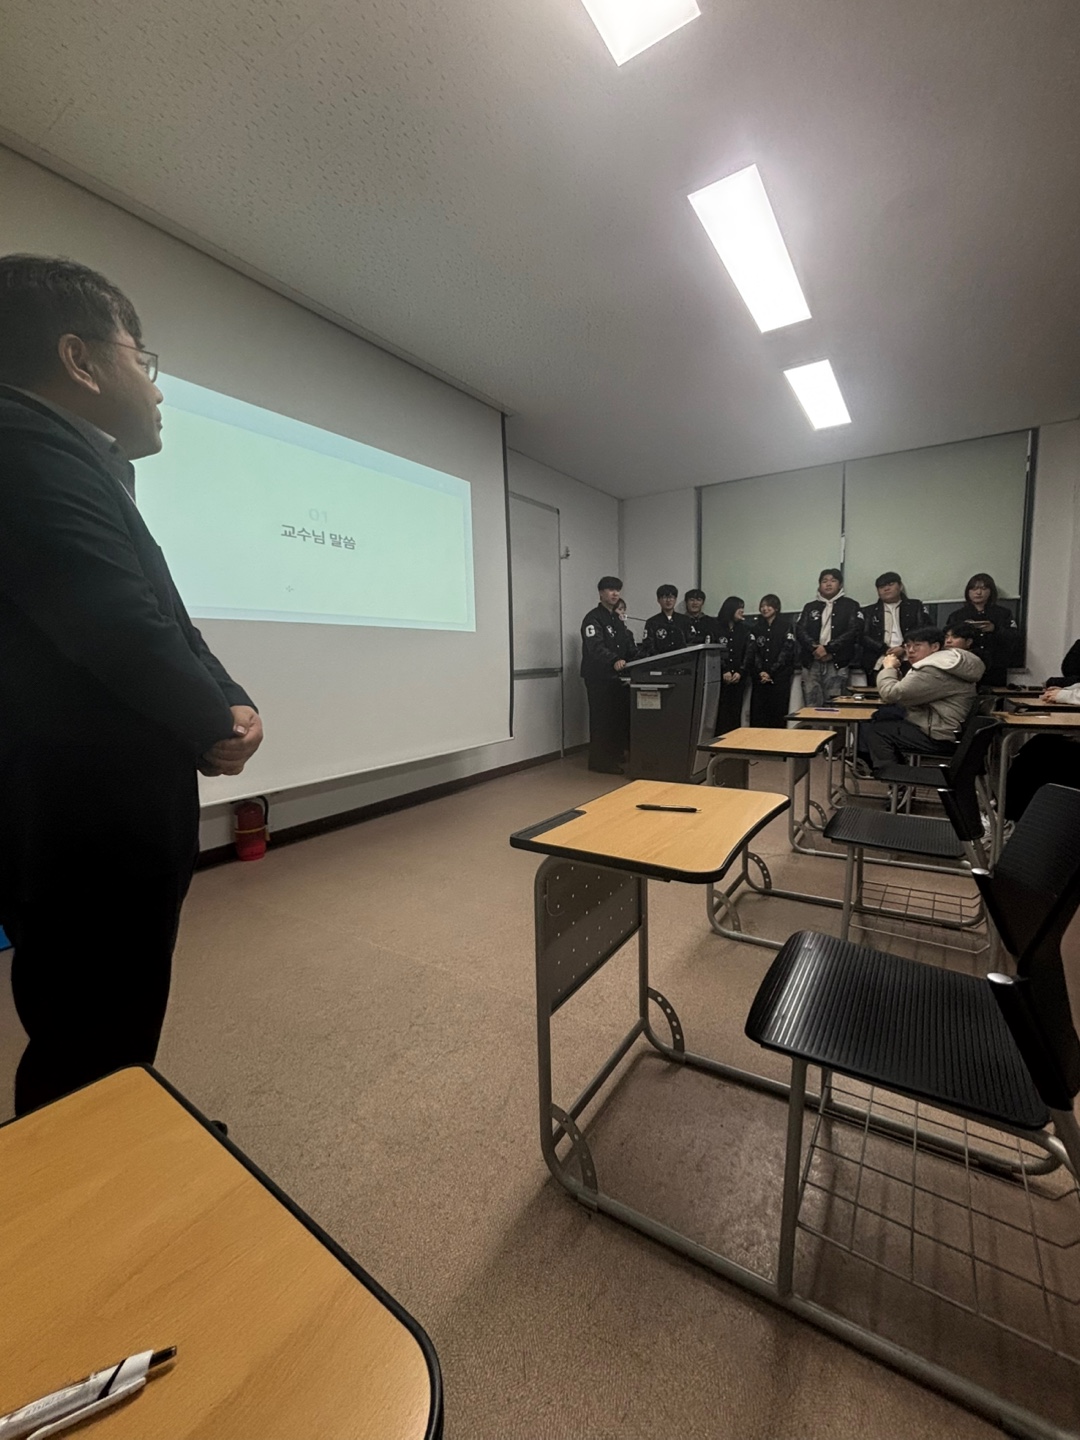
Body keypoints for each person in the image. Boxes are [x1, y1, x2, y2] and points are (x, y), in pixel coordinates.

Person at [0, 254, 262, 1116]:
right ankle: (85, 1179)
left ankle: (120, 1138)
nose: (154, 389)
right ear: (78, 359)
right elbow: (116, 625)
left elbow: (166, 617)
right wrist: (212, 723)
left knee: (113, 1015)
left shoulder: (75, 460)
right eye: (141, 360)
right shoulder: (21, 444)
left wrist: (230, 698)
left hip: (103, 812)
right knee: (86, 1032)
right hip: (84, 820)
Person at [863, 627, 984, 773]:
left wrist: (889, 668)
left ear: (935, 647)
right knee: (884, 717)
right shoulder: (948, 664)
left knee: (878, 730)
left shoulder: (933, 670)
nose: (910, 651)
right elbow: (910, 693)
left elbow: (891, 694)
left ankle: (893, 776)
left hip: (941, 736)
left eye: (917, 645)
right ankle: (897, 773)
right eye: (907, 646)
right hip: (950, 729)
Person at [580, 575, 635, 773]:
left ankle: (614, 756)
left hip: (617, 678)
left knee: (616, 719)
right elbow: (595, 647)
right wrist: (614, 660)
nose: (615, 594)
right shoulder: (593, 618)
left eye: (618, 590)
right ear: (601, 593)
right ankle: (600, 762)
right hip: (599, 677)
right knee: (602, 720)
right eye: (611, 590)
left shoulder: (616, 618)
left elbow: (626, 646)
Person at [796, 569, 864, 706]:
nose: (828, 584)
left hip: (837, 662)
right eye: (824, 581)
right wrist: (814, 648)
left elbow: (854, 631)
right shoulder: (810, 607)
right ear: (819, 585)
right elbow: (800, 630)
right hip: (811, 662)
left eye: (833, 581)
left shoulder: (851, 605)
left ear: (840, 585)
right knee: (811, 705)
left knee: (835, 706)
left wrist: (828, 649)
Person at [946, 573, 1019, 687]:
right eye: (974, 589)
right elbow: (947, 642)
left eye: (983, 588)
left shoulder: (1003, 613)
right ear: (968, 592)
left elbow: (1014, 637)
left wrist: (994, 629)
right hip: (965, 666)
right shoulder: (957, 616)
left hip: (995, 667)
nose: (978, 592)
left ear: (991, 591)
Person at [860, 572, 931, 672]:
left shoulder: (915, 606)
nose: (886, 589)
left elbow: (924, 630)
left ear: (900, 586)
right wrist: (884, 649)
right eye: (882, 587)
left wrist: (903, 647)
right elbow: (863, 636)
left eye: (890, 584)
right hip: (880, 658)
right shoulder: (869, 611)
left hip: (910, 655)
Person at [747, 595, 797, 728]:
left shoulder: (786, 626)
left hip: (779, 677)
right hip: (760, 678)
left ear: (776, 608)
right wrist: (761, 672)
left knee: (778, 715)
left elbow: (787, 651)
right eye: (762, 606)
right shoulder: (756, 628)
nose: (765, 609)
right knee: (758, 716)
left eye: (768, 605)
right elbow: (753, 652)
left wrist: (770, 671)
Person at [714, 596, 749, 734]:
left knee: (735, 711)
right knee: (721, 712)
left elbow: (748, 653)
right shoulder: (716, 628)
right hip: (720, 678)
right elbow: (714, 652)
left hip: (738, 678)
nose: (742, 611)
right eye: (739, 608)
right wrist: (724, 670)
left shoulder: (744, 630)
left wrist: (740, 671)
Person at [642, 584, 689, 655]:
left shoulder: (685, 620)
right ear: (658, 600)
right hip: (660, 659)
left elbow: (690, 641)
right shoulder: (652, 622)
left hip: (682, 658)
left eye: (671, 597)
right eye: (664, 597)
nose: (668, 600)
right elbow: (648, 646)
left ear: (675, 599)